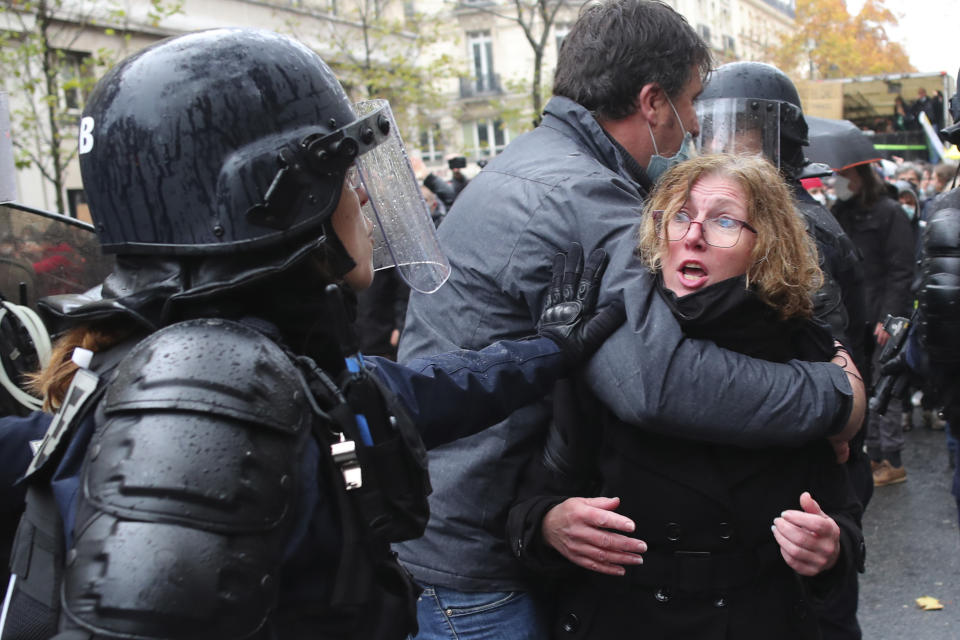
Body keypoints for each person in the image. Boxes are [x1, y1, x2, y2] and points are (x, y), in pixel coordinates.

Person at [0, 29, 625, 640]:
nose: (361, 195)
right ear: (278, 198)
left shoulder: (258, 366)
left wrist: (551, 348)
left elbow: (415, 392)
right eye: (344, 176)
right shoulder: (211, 388)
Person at [396, 2, 864, 638]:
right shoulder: (581, 196)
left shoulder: (536, 166)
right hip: (481, 558)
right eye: (693, 100)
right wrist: (836, 394)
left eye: (725, 220)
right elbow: (655, 382)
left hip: (458, 533)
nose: (696, 123)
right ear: (652, 101)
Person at [509, 153, 865, 639]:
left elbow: (842, 511)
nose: (693, 234)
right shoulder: (612, 339)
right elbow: (535, 500)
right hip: (627, 619)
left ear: (768, 247)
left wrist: (832, 549)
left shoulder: (802, 343)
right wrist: (551, 524)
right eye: (680, 215)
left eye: (723, 220)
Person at [694, 60, 870, 640]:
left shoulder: (796, 225)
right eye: (713, 130)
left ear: (776, 140)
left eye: (740, 134)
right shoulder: (743, 209)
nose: (721, 148)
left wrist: (831, 421)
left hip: (800, 465)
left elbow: (829, 354)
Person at [832, 161, 915, 486]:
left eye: (844, 175)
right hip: (855, 317)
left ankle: (889, 459)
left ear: (859, 177)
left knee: (885, 389)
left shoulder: (890, 212)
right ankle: (873, 454)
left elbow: (901, 269)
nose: (838, 181)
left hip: (882, 317)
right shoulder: (842, 211)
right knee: (863, 387)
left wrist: (890, 317)